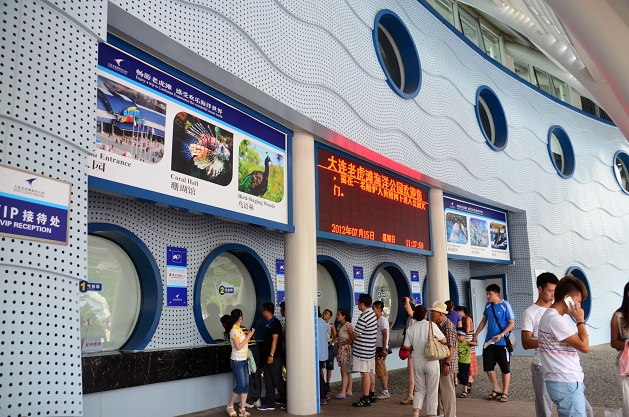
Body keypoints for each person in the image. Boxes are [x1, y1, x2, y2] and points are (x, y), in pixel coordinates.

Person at [538, 275, 590, 417]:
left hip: (564, 381)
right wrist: (580, 320)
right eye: (578, 301)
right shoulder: (554, 319)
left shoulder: (553, 316)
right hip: (566, 381)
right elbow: (584, 346)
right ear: (567, 298)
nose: (579, 305)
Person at [522, 272, 560, 416]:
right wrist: (550, 341)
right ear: (540, 289)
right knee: (544, 405)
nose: (553, 295)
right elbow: (525, 342)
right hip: (541, 365)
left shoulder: (558, 310)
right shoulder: (530, 312)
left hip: (560, 362)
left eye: (555, 291)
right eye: (550, 291)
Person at [472, 283, 515, 403]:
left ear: (496, 294)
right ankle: (496, 388)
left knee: (505, 368)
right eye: (486, 294)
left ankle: (505, 391)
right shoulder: (488, 306)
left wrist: (502, 334)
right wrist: (475, 335)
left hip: (502, 343)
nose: (487, 296)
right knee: (488, 367)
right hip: (489, 342)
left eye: (489, 294)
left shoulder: (505, 305)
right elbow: (483, 321)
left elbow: (512, 323)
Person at [403, 304, 446, 417]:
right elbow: (444, 340)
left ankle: (416, 413)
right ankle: (430, 414)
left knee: (419, 389)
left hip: (417, 362)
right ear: (425, 315)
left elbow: (406, 346)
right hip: (431, 361)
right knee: (432, 390)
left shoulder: (410, 329)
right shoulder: (431, 325)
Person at [429, 300, 458, 417]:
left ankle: (450, 414)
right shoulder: (437, 325)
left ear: (441, 313)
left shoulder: (448, 326)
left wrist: (447, 364)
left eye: (433, 312)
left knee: (447, 392)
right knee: (439, 391)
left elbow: (451, 347)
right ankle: (440, 413)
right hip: (440, 363)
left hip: (447, 363)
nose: (431, 314)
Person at [349, 294, 378, 407]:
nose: (357, 305)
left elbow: (356, 334)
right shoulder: (372, 314)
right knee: (370, 372)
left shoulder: (364, 317)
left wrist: (350, 336)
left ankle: (365, 398)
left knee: (364, 374)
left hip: (363, 351)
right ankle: (371, 394)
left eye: (358, 302)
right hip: (370, 349)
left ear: (362, 304)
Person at [225, 309, 255, 417]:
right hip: (237, 361)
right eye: (241, 316)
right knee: (241, 385)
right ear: (240, 317)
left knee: (246, 385)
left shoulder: (240, 329)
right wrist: (249, 336)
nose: (242, 319)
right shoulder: (234, 330)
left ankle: (242, 408)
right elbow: (238, 347)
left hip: (243, 360)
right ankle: (230, 405)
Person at [257, 302, 286, 411]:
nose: (262, 313)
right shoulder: (269, 323)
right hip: (267, 357)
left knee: (277, 379)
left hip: (275, 357)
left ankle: (287, 399)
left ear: (266, 311)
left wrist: (271, 355)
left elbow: (275, 340)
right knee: (268, 380)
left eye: (262, 311)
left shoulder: (275, 323)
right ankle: (270, 403)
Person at [611, 281, 629, 417]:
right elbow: (614, 342)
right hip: (625, 366)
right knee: (627, 403)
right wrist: (627, 345)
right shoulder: (618, 316)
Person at [454, 306, 477, 386]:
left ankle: (469, 379)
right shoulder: (463, 319)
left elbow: (467, 330)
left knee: (469, 358)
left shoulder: (467, 319)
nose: (457, 314)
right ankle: (467, 379)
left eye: (458, 312)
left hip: (468, 339)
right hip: (465, 340)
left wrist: (461, 331)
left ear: (462, 311)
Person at [372, 301, 390, 399]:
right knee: (383, 369)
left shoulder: (383, 320)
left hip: (381, 348)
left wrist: (383, 349)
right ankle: (385, 389)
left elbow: (385, 335)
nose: (373, 310)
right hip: (378, 347)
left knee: (380, 370)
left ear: (379, 309)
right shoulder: (377, 320)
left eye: (374, 308)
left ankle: (385, 391)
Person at [335, 308, 353, 399]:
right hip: (341, 349)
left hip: (345, 349)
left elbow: (352, 337)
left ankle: (343, 391)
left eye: (338, 315)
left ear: (344, 316)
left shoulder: (347, 325)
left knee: (344, 370)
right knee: (346, 371)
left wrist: (344, 343)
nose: (337, 316)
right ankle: (348, 390)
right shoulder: (339, 325)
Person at [456, 328, 476, 398]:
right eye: (457, 335)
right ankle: (466, 384)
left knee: (464, 375)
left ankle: (465, 390)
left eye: (460, 335)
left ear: (464, 336)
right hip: (458, 361)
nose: (458, 337)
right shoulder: (457, 343)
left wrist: (470, 342)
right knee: (459, 375)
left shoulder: (467, 343)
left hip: (466, 362)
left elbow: (476, 344)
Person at [322, 309, 338, 394]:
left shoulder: (331, 325)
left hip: (329, 346)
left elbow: (336, 336)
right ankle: (322, 382)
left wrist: (331, 343)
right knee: (321, 365)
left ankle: (328, 383)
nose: (324, 315)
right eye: (324, 313)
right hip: (321, 346)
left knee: (329, 365)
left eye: (326, 314)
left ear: (330, 316)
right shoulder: (319, 323)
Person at [317, 311, 330, 405]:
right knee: (319, 374)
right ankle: (324, 394)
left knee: (318, 376)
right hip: (322, 353)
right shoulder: (322, 322)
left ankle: (322, 395)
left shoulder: (314, 322)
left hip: (316, 354)